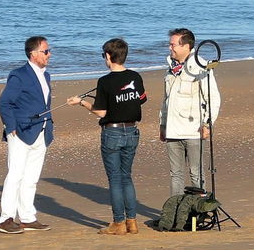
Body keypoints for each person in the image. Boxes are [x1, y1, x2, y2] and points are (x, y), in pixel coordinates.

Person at [67, 37, 146, 235]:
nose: (104, 58)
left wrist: (81, 102)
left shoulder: (106, 81)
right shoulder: (135, 77)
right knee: (125, 177)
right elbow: (140, 100)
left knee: (116, 179)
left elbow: (101, 112)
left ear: (109, 56)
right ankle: (132, 221)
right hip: (131, 131)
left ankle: (119, 222)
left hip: (114, 132)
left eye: (104, 55)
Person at [0, 36, 54, 234]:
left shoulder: (45, 75)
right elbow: (4, 103)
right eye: (45, 51)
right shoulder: (19, 75)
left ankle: (27, 218)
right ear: (33, 53)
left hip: (42, 130)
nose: (49, 54)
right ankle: (6, 219)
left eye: (48, 51)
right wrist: (11, 125)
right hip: (20, 132)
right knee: (15, 176)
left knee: (31, 178)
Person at [160, 28, 221, 198]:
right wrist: (163, 124)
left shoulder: (200, 66)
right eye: (169, 44)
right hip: (172, 131)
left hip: (193, 130)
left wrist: (208, 124)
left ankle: (198, 212)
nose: (169, 48)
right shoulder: (170, 68)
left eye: (173, 45)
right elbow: (166, 101)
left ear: (186, 46)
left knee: (197, 174)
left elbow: (212, 98)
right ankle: (176, 212)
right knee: (176, 175)